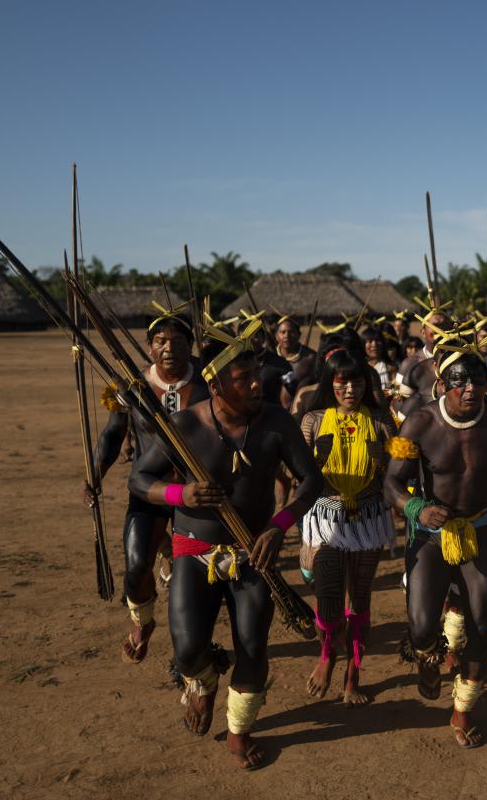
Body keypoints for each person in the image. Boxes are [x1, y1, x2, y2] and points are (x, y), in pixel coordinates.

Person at [129, 319, 324, 769]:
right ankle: (202, 681)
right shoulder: (184, 425)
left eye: (257, 374)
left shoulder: (276, 422)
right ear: (215, 385)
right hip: (193, 551)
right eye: (244, 377)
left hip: (252, 552)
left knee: (252, 646)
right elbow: (139, 479)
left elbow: (312, 481)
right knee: (187, 649)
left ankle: (239, 730)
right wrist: (181, 495)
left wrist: (279, 525)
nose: (257, 384)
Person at [383, 334, 487, 749]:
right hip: (431, 534)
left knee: (482, 623)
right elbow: (391, 484)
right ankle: (427, 657)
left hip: (479, 529)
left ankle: (462, 709)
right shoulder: (420, 423)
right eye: (460, 381)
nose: (470, 389)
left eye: (478, 380)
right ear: (443, 384)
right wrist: (416, 509)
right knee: (421, 626)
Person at [86, 306, 209, 664]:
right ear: (150, 348)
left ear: (191, 345)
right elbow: (113, 435)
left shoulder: (208, 384)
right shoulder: (132, 386)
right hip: (149, 489)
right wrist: (94, 477)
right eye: (160, 341)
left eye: (178, 341)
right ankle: (142, 621)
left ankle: (194, 649)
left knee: (198, 579)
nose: (169, 347)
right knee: (137, 564)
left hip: (197, 493)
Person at [298, 351, 398, 704]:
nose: (351, 389)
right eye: (342, 382)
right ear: (330, 383)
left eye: (357, 381)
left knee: (359, 600)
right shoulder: (312, 420)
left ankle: (353, 675)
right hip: (326, 518)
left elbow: (396, 473)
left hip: (368, 518)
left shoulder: (382, 420)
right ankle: (328, 652)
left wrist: (386, 465)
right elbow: (298, 474)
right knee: (328, 599)